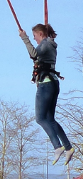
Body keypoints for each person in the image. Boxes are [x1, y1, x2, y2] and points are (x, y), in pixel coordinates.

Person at [19, 23, 74, 165]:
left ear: (41, 34)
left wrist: (24, 38)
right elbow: (38, 57)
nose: (35, 39)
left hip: (46, 85)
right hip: (53, 83)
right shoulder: (50, 45)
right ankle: (68, 147)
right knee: (50, 119)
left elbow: (33, 54)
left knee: (40, 118)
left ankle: (57, 146)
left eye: (35, 36)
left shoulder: (45, 45)